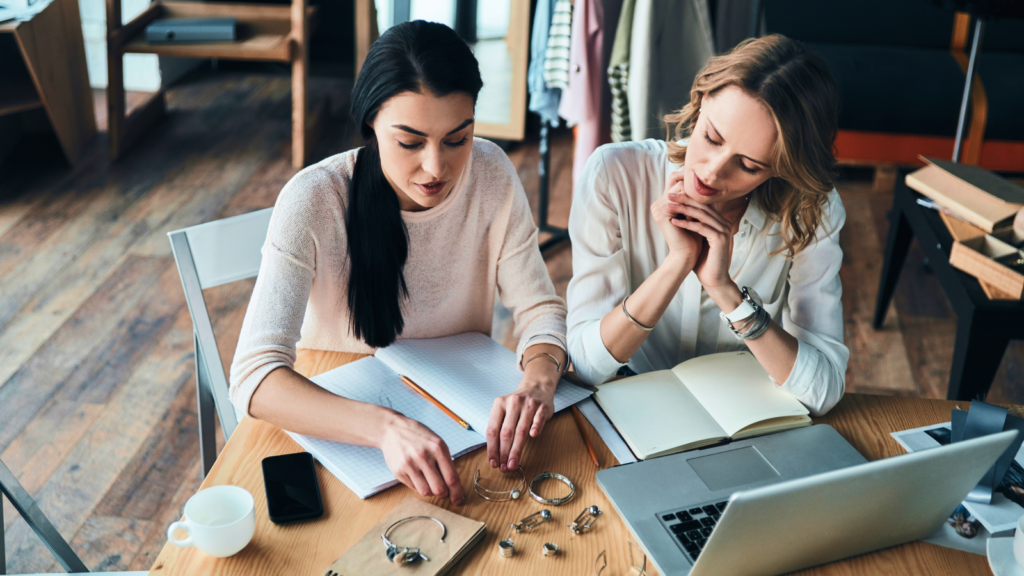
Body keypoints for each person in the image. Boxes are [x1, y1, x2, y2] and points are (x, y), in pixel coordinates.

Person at [229, 21, 568, 505]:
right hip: (342, 433)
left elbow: (541, 310)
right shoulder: (313, 199)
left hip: (460, 430)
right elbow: (254, 377)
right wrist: (384, 427)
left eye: (458, 138)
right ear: (370, 124)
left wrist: (537, 382)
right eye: (410, 142)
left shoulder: (491, 173)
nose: (436, 168)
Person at [566, 34, 846, 416]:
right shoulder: (615, 175)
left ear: (782, 168)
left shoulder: (813, 209)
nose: (712, 172)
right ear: (700, 102)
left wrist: (724, 290)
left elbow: (824, 389)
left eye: (749, 165)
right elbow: (584, 364)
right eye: (712, 137)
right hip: (633, 399)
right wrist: (676, 264)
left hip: (751, 410)